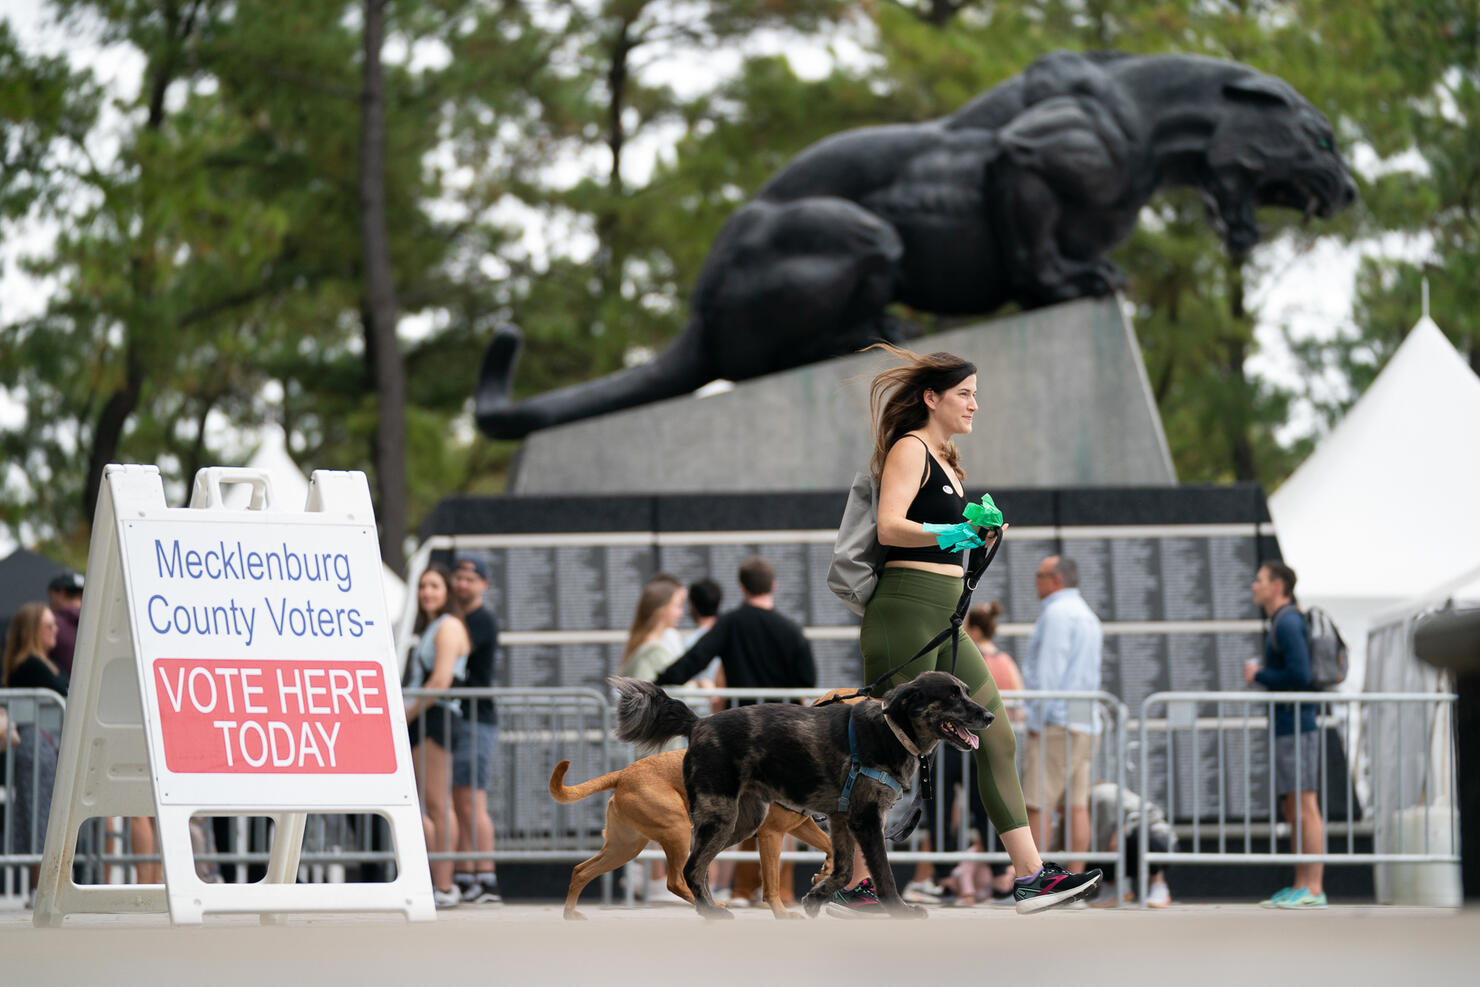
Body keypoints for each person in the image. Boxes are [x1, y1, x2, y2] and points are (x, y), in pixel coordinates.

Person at [851, 344, 1100, 916]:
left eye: (976, 393)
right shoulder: (910, 448)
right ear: (931, 398)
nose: (974, 404)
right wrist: (951, 531)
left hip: (940, 614)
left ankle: (1032, 877)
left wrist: (972, 533)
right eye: (964, 393)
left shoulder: (946, 458)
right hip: (905, 610)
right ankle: (857, 880)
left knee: (998, 736)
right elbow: (891, 525)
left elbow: (936, 530)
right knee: (885, 752)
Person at [655, 556, 816, 907]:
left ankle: (746, 890)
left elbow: (696, 658)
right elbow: (807, 680)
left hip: (740, 733)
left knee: (744, 805)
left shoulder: (731, 624)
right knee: (784, 811)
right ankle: (780, 892)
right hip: (787, 731)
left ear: (742, 587)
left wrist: (658, 683)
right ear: (773, 586)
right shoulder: (791, 630)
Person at [1246, 559, 1326, 909]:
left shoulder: (1289, 621)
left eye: (1260, 580)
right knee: (1294, 807)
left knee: (1306, 806)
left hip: (1297, 725)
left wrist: (1259, 675)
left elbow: (1301, 676)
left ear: (1278, 585)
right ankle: (1301, 884)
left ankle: (1313, 888)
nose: (1254, 585)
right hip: (1288, 726)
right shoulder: (1282, 620)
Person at [1022, 555, 1103, 875]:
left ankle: (1033, 878)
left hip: (1055, 724)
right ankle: (1077, 876)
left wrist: (1037, 720)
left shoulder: (1056, 614)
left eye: (1040, 575)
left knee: (1035, 803)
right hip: (1084, 723)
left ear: (1056, 580)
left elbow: (1048, 674)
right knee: (1077, 805)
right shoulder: (1087, 615)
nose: (1035, 581)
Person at [405, 563, 469, 909]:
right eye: (422, 586)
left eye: (434, 586)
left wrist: (406, 714)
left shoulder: (449, 626)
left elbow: (441, 680)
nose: (426, 592)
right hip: (423, 718)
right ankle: (433, 882)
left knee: (438, 803)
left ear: (446, 592)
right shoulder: (430, 628)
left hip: (436, 718)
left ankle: (445, 885)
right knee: (427, 804)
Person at [449, 555, 502, 905]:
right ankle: (466, 875)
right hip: (457, 719)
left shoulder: (481, 620)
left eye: (472, 578)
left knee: (472, 800)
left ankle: (486, 878)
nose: (463, 583)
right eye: (459, 576)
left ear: (484, 584)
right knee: (459, 799)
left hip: (476, 719)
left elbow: (459, 657)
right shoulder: (456, 619)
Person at [2, 603, 66, 875]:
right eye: (49, 625)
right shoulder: (30, 665)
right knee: (40, 817)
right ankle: (41, 886)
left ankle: (42, 885)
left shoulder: (42, 663)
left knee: (42, 815)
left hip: (44, 744)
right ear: (33, 630)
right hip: (38, 745)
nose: (56, 630)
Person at [1085, 781, 1174, 908]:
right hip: (1121, 844)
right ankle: (1113, 888)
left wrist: (1121, 832)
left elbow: (1153, 813)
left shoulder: (1103, 794)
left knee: (1138, 837)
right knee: (1084, 845)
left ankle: (1158, 885)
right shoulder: (1093, 798)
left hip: (1159, 840)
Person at [46, 570, 84, 677]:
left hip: (62, 689)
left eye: (51, 594)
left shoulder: (50, 624)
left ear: (61, 593)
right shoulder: (99, 623)